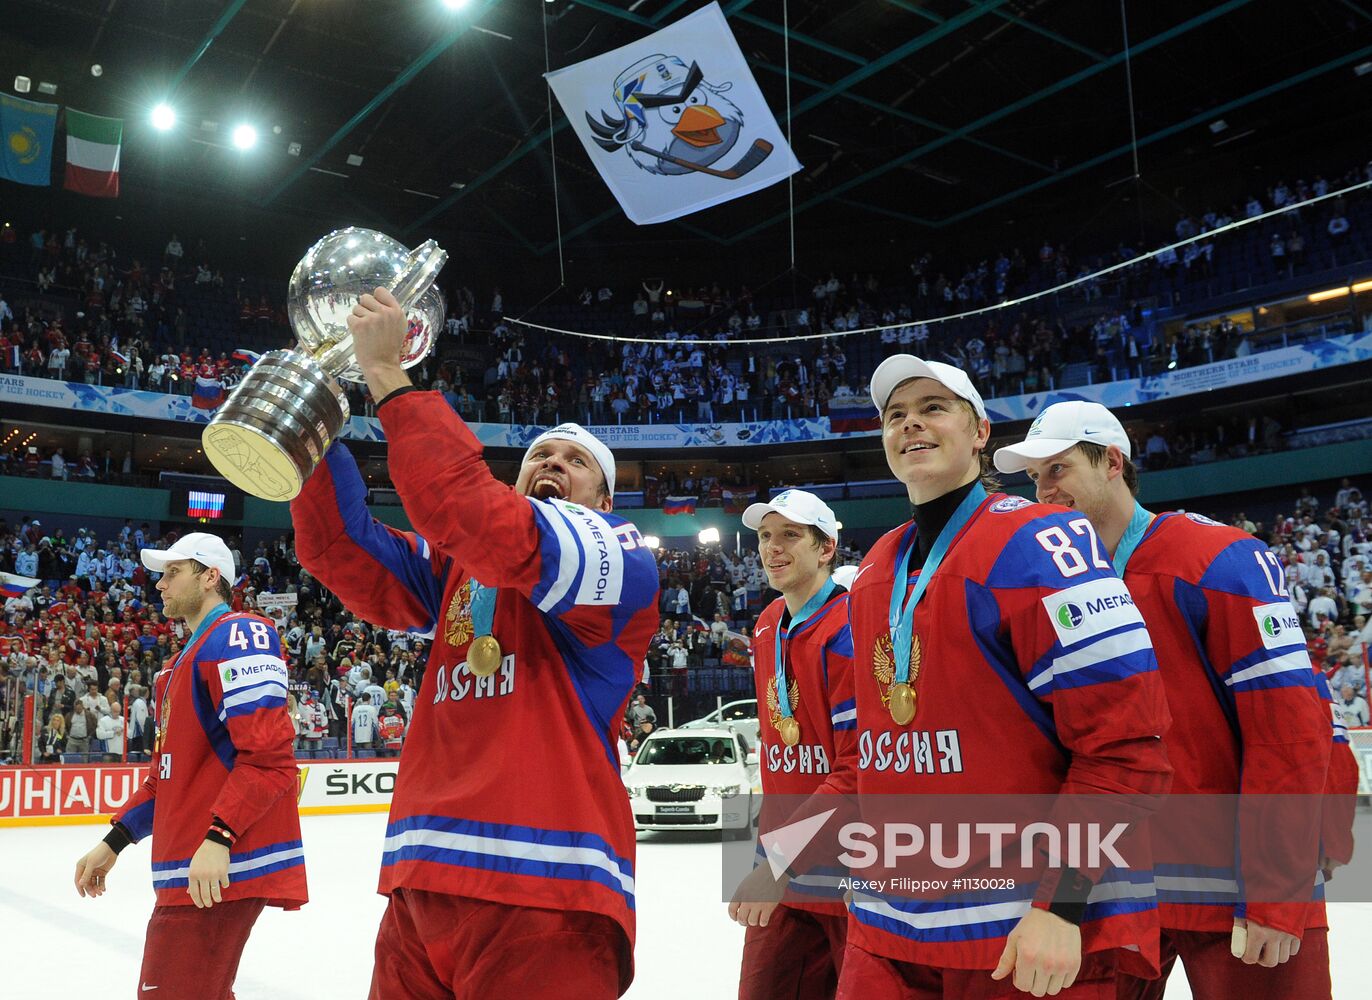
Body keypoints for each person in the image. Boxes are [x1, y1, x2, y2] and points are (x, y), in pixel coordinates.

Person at [290, 284, 659, 999]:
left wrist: (391, 379)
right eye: (538, 455)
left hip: (547, 887)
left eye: (574, 461)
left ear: (606, 502)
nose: (550, 463)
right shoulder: (463, 568)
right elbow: (345, 550)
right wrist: (311, 434)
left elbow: (474, 515)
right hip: (424, 878)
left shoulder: (621, 558)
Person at [832, 356, 1173, 998]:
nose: (911, 425)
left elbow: (1125, 746)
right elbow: (878, 747)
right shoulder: (877, 563)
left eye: (934, 408)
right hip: (884, 930)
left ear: (981, 430)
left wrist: (1061, 904)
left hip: (1018, 932)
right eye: (895, 416)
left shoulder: (1043, 541)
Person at [996, 400, 1335, 999]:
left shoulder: (1220, 560)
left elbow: (1288, 730)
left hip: (1227, 888)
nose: (1043, 490)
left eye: (1059, 469)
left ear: (1112, 462)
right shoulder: (1043, 581)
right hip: (1102, 891)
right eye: (1034, 477)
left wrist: (1279, 889)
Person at [72, 532, 307, 999]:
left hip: (218, 869)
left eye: (173, 572)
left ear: (211, 577)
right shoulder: (180, 664)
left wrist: (220, 837)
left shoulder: (240, 635)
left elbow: (269, 760)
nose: (160, 584)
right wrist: (114, 841)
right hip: (193, 868)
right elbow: (166, 779)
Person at [730, 488, 855, 999]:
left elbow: (857, 771)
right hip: (783, 871)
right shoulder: (765, 626)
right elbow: (782, 758)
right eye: (764, 536)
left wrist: (778, 861)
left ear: (825, 548)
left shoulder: (850, 627)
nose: (772, 548)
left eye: (790, 535)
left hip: (850, 873)